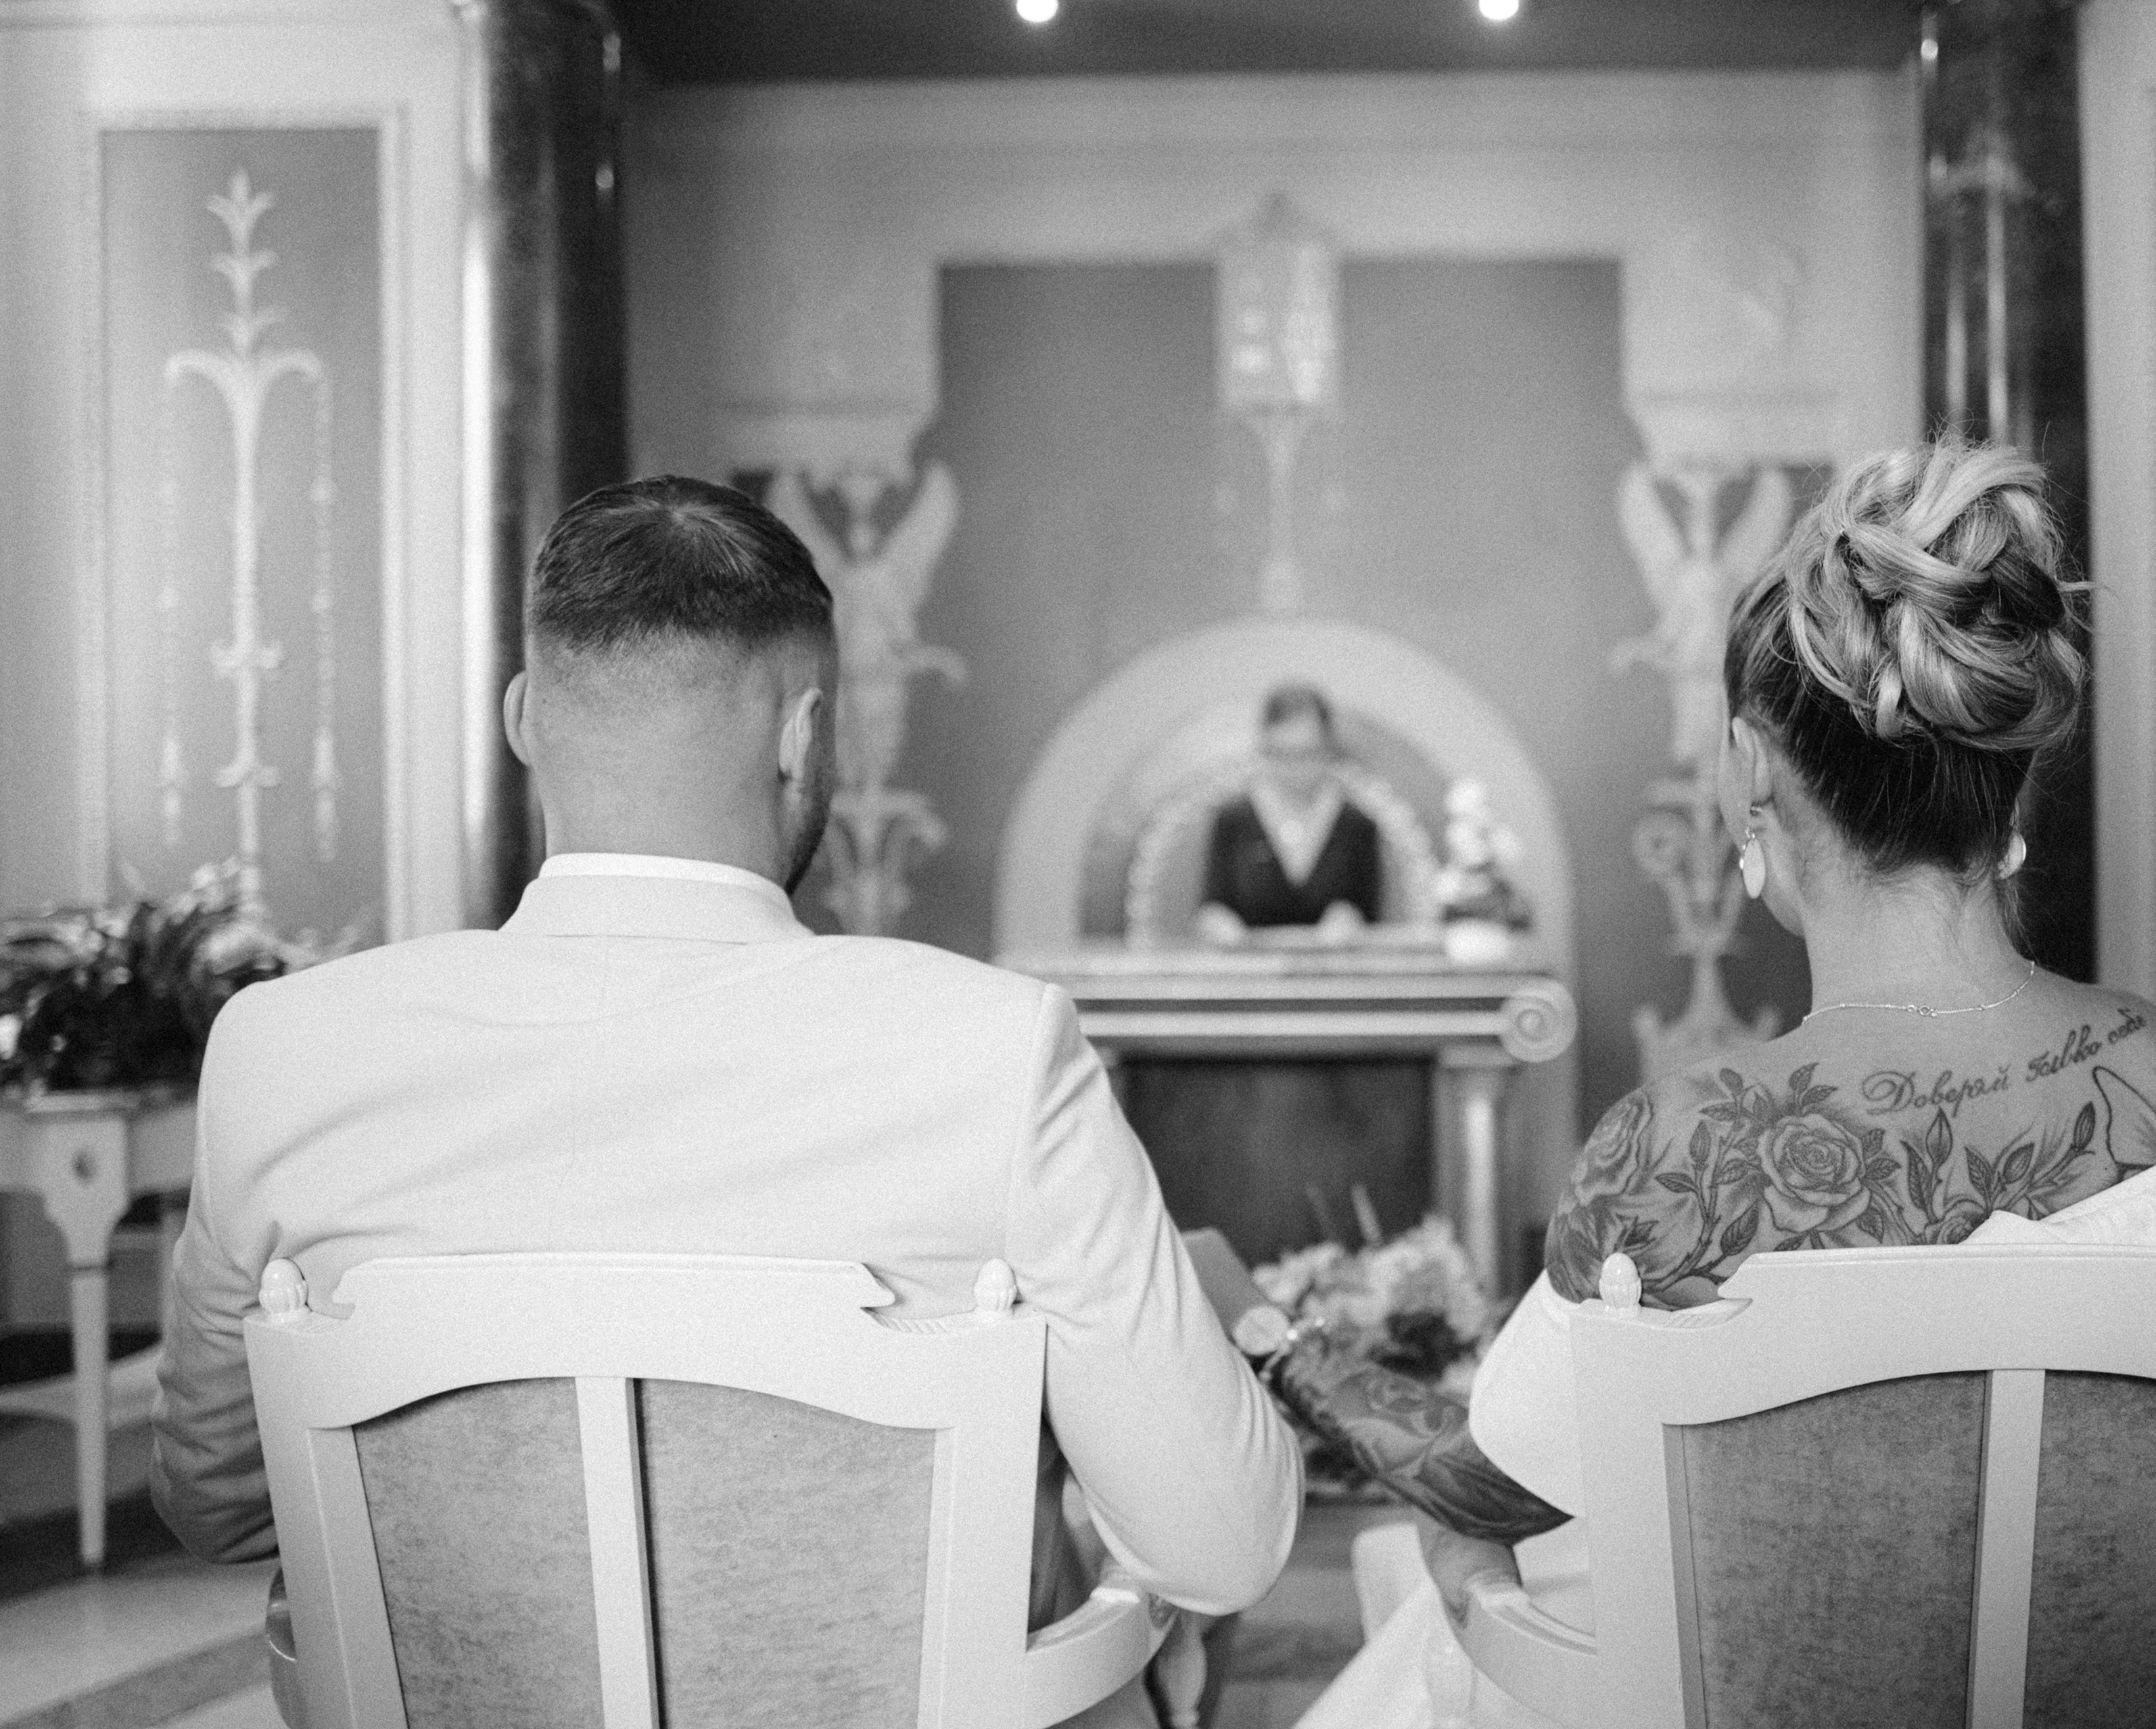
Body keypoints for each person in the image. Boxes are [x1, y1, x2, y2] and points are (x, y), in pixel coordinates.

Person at [1269, 438, 2156, 1729]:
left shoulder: (1675, 1150)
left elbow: (1483, 1487)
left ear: (1753, 768)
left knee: (1433, 1601)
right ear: (2008, 782)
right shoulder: (2155, 1076)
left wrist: (1276, 1343)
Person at [151, 476, 1301, 1728]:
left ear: (525, 716)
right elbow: (1221, 1547)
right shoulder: (997, 1051)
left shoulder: (279, 1051)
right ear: (804, 736)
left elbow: (215, 1505)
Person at [1195, 683, 1384, 944]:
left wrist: (1352, 921)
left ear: (1329, 749)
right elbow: (1212, 906)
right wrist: (1218, 925)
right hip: (1249, 964)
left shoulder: (1357, 825)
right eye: (1281, 754)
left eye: (1307, 754)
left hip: (1333, 966)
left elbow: (1370, 914)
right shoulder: (1232, 820)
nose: (1294, 768)